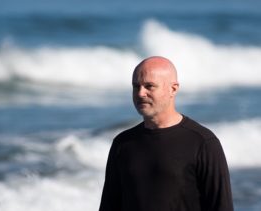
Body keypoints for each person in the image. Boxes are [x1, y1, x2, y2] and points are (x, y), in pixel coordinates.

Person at [98, 56, 234, 211]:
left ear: (173, 89)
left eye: (149, 86)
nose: (141, 93)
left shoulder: (203, 142)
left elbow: (221, 206)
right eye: (136, 86)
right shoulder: (123, 143)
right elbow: (109, 206)